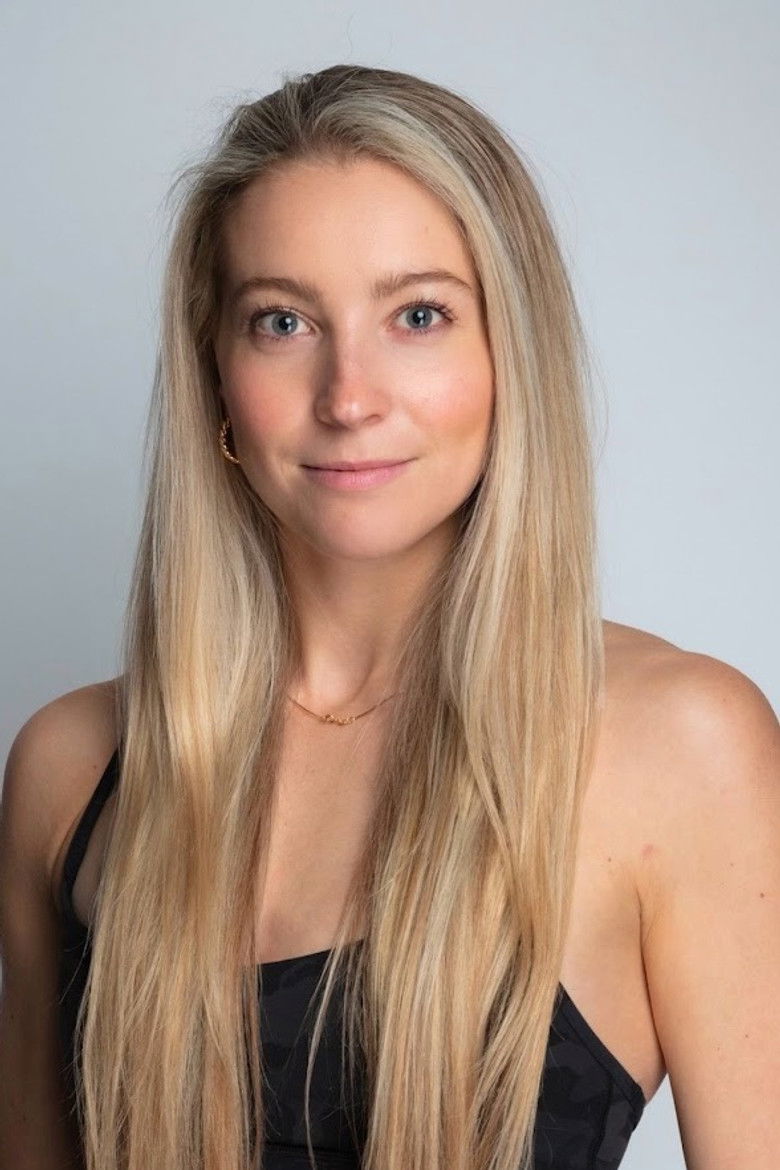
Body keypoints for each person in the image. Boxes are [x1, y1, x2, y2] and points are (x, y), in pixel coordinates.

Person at [1, 63, 778, 1170]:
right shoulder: (73, 770)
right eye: (282, 321)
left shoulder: (682, 747)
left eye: (419, 315)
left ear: (510, 353)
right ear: (216, 372)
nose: (350, 396)